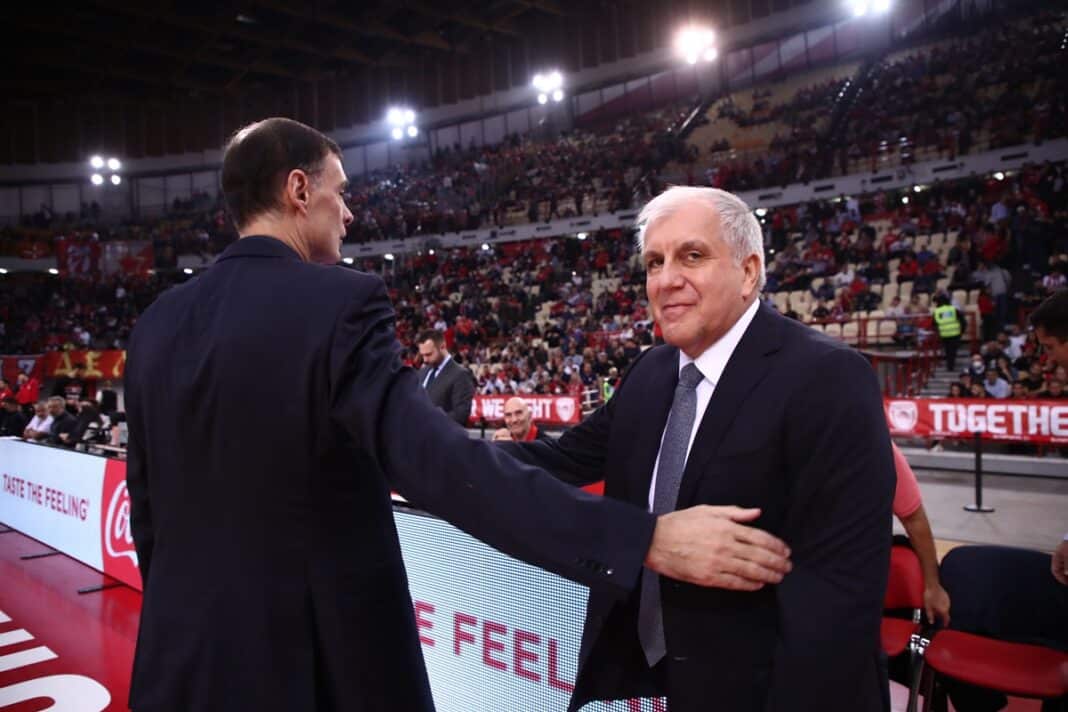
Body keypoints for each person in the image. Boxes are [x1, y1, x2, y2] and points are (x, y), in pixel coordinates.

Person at [123, 118, 777, 712]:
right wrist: (643, 540)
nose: (347, 213)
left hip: (177, 661)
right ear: (299, 189)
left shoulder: (156, 322)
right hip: (307, 670)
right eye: (340, 192)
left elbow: (147, 510)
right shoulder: (337, 303)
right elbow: (439, 465)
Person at [500, 186, 894, 712]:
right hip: (654, 679)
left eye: (692, 255)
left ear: (748, 272)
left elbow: (840, 598)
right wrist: (422, 447)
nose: (665, 280)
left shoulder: (828, 377)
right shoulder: (651, 370)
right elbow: (562, 460)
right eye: (654, 263)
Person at [416, 329, 476, 427]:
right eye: (422, 355)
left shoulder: (460, 374)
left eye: (429, 354)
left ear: (442, 347)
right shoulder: (422, 372)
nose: (425, 360)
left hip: (441, 433)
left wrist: (429, 421)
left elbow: (460, 414)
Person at [932, 292, 964, 372]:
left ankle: (949, 366)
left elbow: (934, 324)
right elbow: (963, 321)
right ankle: (951, 365)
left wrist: (938, 331)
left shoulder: (936, 311)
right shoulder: (953, 309)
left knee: (947, 351)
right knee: (953, 350)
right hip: (955, 334)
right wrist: (961, 331)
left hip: (944, 334)